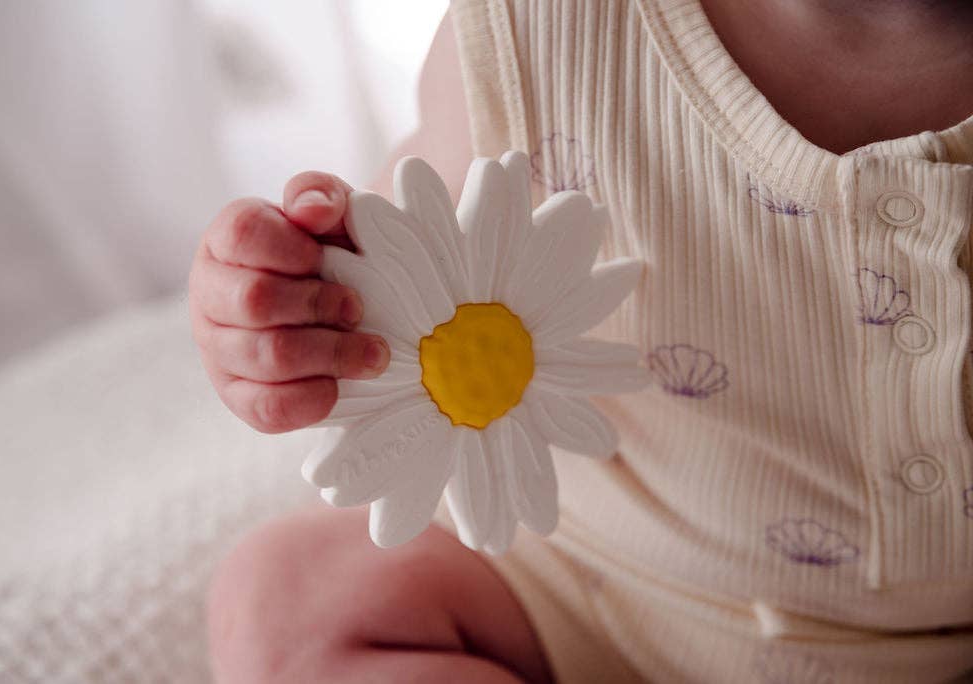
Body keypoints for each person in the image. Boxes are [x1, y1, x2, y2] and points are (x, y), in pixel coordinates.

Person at [188, 1, 973, 681]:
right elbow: (398, 275)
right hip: (604, 593)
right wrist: (288, 307)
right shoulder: (537, 31)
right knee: (285, 602)